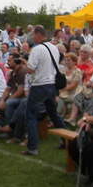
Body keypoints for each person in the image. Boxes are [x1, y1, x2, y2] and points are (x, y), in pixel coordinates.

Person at [22, 25, 66, 156]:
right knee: (54, 114)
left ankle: (32, 147)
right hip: (51, 85)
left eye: (32, 35)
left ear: (38, 34)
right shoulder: (54, 47)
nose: (31, 37)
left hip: (39, 85)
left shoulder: (37, 49)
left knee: (30, 117)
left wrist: (24, 63)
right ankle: (66, 140)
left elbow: (30, 70)